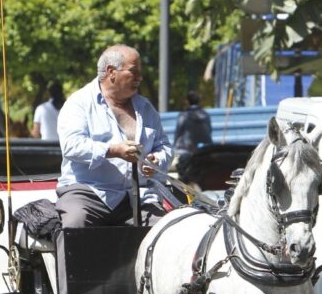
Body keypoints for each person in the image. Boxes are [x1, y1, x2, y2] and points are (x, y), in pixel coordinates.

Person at [55, 44, 172, 230]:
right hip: (88, 194)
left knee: (167, 231)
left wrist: (156, 160)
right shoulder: (78, 103)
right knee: (75, 226)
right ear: (111, 72)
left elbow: (164, 146)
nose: (140, 78)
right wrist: (113, 150)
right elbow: (71, 146)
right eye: (134, 71)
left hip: (138, 197)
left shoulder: (146, 108)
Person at [172, 90, 212, 176]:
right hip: (202, 154)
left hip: (185, 154)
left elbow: (177, 134)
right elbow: (209, 134)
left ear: (187, 101)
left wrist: (174, 149)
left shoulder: (183, 116)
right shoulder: (206, 115)